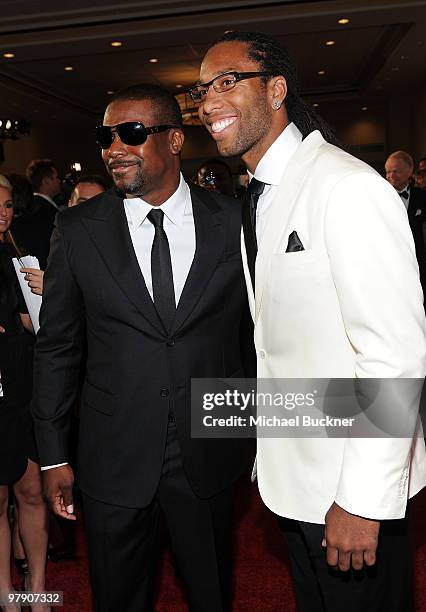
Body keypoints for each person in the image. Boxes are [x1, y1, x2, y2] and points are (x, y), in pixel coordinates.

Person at [195, 31, 426, 612]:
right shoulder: (261, 194)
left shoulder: (346, 187)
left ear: (277, 90)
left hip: (348, 490)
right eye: (201, 90)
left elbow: (393, 354)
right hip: (294, 483)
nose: (208, 102)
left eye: (227, 82)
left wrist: (362, 499)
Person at [32, 83, 253, 612]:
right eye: (106, 137)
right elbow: (59, 346)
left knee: (211, 593)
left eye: (130, 133)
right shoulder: (78, 228)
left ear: (174, 139)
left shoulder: (233, 221)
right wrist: (52, 455)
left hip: (209, 446)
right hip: (113, 452)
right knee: (117, 597)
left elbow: (253, 337)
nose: (113, 149)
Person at [0, 175, 49, 612]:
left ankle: (37, 589)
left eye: (8, 204)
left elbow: (36, 326)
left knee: (32, 493)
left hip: (25, 385)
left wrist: (48, 294)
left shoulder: (19, 256)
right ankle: (5, 596)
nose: (3, 211)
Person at [385, 150, 426, 301]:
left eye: (395, 171)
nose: (391, 175)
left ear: (409, 171)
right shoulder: (381, 197)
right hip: (390, 261)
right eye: (388, 171)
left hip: (417, 260)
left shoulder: (422, 196)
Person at [12, 160, 61, 269]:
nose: (59, 181)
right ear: (46, 181)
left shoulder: (34, 208)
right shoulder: (44, 213)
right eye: (56, 177)